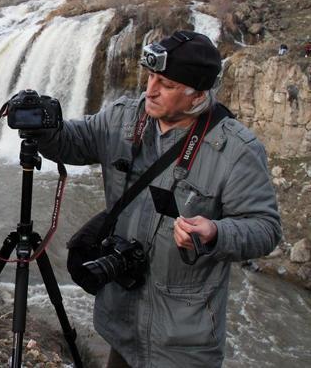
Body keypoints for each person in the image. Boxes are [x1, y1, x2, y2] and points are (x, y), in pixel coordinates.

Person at [37, 31, 281, 367]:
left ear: (197, 95)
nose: (149, 89)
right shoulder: (124, 118)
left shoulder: (236, 150)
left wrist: (215, 232)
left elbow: (266, 228)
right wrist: (43, 128)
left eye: (164, 83)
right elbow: (72, 142)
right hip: (121, 325)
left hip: (181, 342)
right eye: (151, 76)